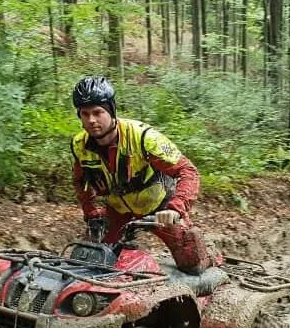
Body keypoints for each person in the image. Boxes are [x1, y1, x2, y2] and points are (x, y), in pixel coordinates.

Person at [70, 75, 212, 274]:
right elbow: (79, 182)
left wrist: (176, 208)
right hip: (117, 211)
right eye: (85, 114)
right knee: (90, 260)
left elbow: (188, 171)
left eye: (97, 112)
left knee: (193, 263)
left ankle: (214, 262)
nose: (91, 120)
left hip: (159, 207)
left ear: (111, 110)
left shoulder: (143, 136)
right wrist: (91, 211)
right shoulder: (79, 145)